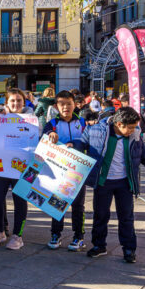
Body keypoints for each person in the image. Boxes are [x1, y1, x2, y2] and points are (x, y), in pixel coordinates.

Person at [73, 107, 145, 263]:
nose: (132, 130)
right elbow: (81, 144)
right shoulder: (95, 131)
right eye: (130, 127)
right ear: (118, 124)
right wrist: (71, 145)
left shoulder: (135, 137)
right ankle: (99, 245)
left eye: (134, 127)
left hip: (125, 183)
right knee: (100, 215)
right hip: (103, 181)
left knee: (126, 217)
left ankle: (129, 249)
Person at [0, 88, 33, 250]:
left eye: (19, 100)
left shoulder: (31, 119)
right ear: (6, 102)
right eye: (12, 100)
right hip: (1, 166)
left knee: (20, 201)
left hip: (20, 167)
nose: (16, 103)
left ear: (24, 102)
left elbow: (36, 138)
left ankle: (18, 236)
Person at [43, 91, 88, 252]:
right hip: (58, 171)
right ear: (56, 106)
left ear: (75, 104)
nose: (66, 107)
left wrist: (74, 144)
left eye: (69, 103)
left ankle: (79, 236)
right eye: (62, 104)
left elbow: (88, 142)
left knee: (78, 206)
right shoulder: (52, 123)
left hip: (78, 171)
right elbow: (44, 137)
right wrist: (50, 134)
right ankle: (55, 234)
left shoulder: (82, 123)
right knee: (57, 203)